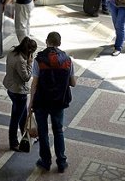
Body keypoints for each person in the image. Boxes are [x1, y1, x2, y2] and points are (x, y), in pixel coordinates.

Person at [29, 31, 76, 173]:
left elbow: (34, 84)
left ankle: (45, 161)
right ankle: (61, 161)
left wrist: (31, 103)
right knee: (58, 131)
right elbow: (73, 83)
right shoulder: (67, 60)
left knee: (43, 132)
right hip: (59, 102)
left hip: (41, 102)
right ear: (59, 43)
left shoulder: (39, 60)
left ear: (46, 41)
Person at [3, 37, 37, 151]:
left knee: (22, 114)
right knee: (16, 118)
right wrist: (30, 63)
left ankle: (25, 136)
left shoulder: (12, 53)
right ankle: (13, 142)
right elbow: (26, 77)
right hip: (18, 91)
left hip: (10, 88)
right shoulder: (21, 60)